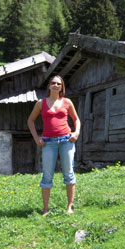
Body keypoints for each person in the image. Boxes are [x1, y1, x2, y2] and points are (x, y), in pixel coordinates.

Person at [27, 75, 81, 216]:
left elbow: (76, 120)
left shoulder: (67, 102)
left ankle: (69, 206)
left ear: (62, 87)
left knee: (69, 173)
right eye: (53, 83)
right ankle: (45, 209)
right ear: (49, 86)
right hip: (48, 143)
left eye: (59, 83)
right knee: (47, 176)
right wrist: (36, 138)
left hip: (66, 141)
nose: (56, 85)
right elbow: (30, 121)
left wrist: (76, 133)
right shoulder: (41, 103)